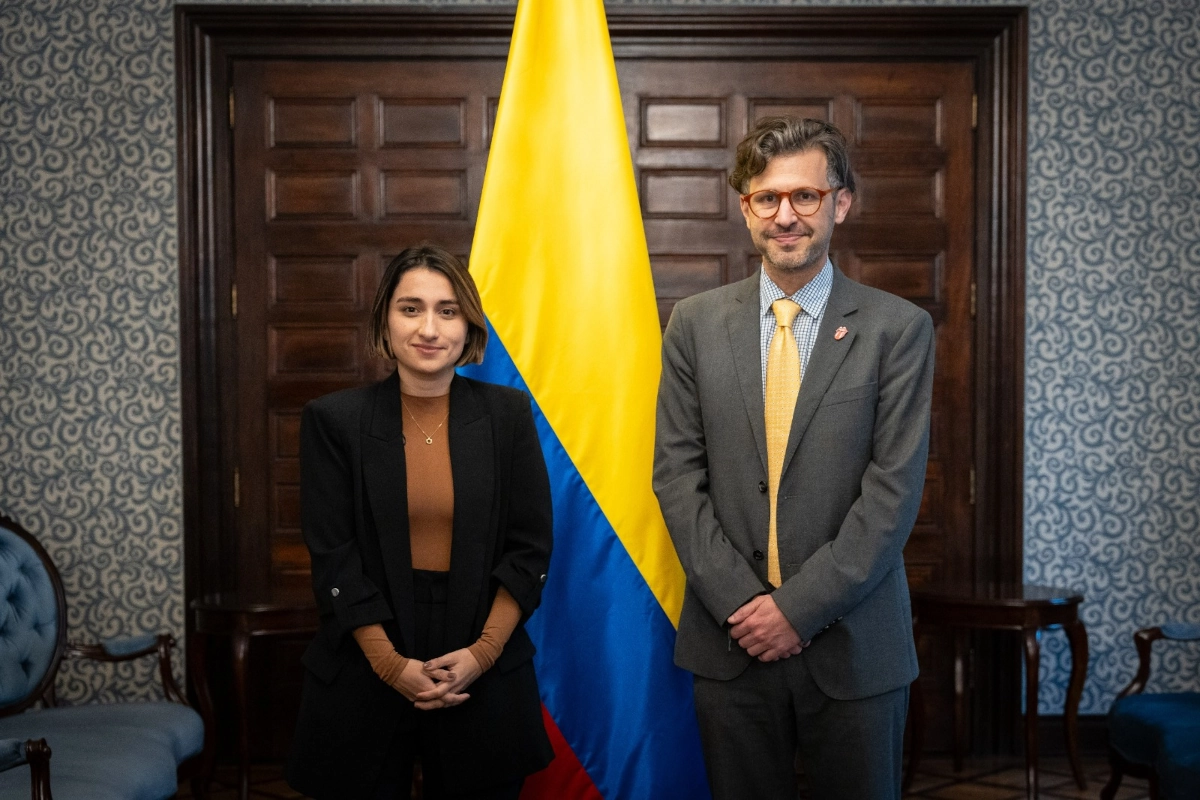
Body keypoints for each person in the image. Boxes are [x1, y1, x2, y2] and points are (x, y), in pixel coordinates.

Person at [653, 117, 935, 799]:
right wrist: (747, 606)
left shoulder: (898, 330)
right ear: (745, 208)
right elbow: (676, 477)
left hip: (856, 647)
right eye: (767, 198)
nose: (786, 216)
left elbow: (892, 495)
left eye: (805, 197)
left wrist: (796, 611)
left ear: (840, 203)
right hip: (731, 642)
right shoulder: (693, 324)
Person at [286, 244, 554, 799]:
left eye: (447, 310)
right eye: (411, 308)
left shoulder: (507, 416)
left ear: (468, 326)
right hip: (367, 653)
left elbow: (529, 551)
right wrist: (389, 665)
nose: (429, 327)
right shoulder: (334, 420)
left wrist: (481, 655)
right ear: (385, 319)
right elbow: (334, 555)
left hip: (481, 654)